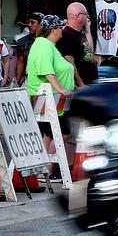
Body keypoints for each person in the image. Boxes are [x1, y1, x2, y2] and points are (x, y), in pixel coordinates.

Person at [26, 15, 76, 178]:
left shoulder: (49, 45)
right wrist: (60, 88)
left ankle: (44, 170)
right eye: (60, 27)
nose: (62, 30)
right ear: (53, 29)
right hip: (47, 97)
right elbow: (46, 70)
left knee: (48, 134)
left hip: (53, 98)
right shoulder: (43, 45)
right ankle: (47, 169)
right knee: (63, 133)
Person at [58, 2, 98, 88]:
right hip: (81, 84)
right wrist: (80, 83)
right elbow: (69, 60)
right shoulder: (67, 34)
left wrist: (88, 31)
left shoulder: (79, 33)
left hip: (89, 82)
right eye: (86, 14)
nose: (88, 16)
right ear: (78, 16)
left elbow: (90, 53)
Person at [15, 12, 45, 85]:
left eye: (32, 22)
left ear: (41, 24)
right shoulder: (23, 42)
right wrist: (17, 82)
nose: (29, 25)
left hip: (47, 78)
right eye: (29, 22)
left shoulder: (49, 40)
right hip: (30, 79)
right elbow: (21, 62)